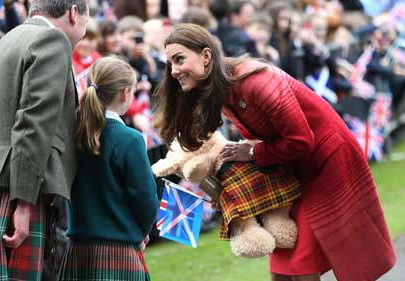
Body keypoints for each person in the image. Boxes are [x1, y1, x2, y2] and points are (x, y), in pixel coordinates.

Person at [154, 23, 396, 281]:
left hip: (327, 161)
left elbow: (300, 140)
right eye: (170, 63)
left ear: (205, 55)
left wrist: (254, 154)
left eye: (179, 59)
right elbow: (260, 144)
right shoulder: (221, 90)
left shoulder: (256, 82)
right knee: (282, 261)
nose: (174, 70)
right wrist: (231, 192)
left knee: (301, 259)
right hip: (293, 164)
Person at [0, 0, 89, 280]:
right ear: (74, 12)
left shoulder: (4, 41)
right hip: (13, 194)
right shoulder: (52, 40)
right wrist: (23, 202)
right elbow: (33, 124)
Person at [59, 56, 158, 281]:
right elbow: (145, 199)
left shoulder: (72, 134)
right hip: (119, 249)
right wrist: (142, 231)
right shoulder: (129, 139)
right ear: (124, 93)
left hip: (78, 249)